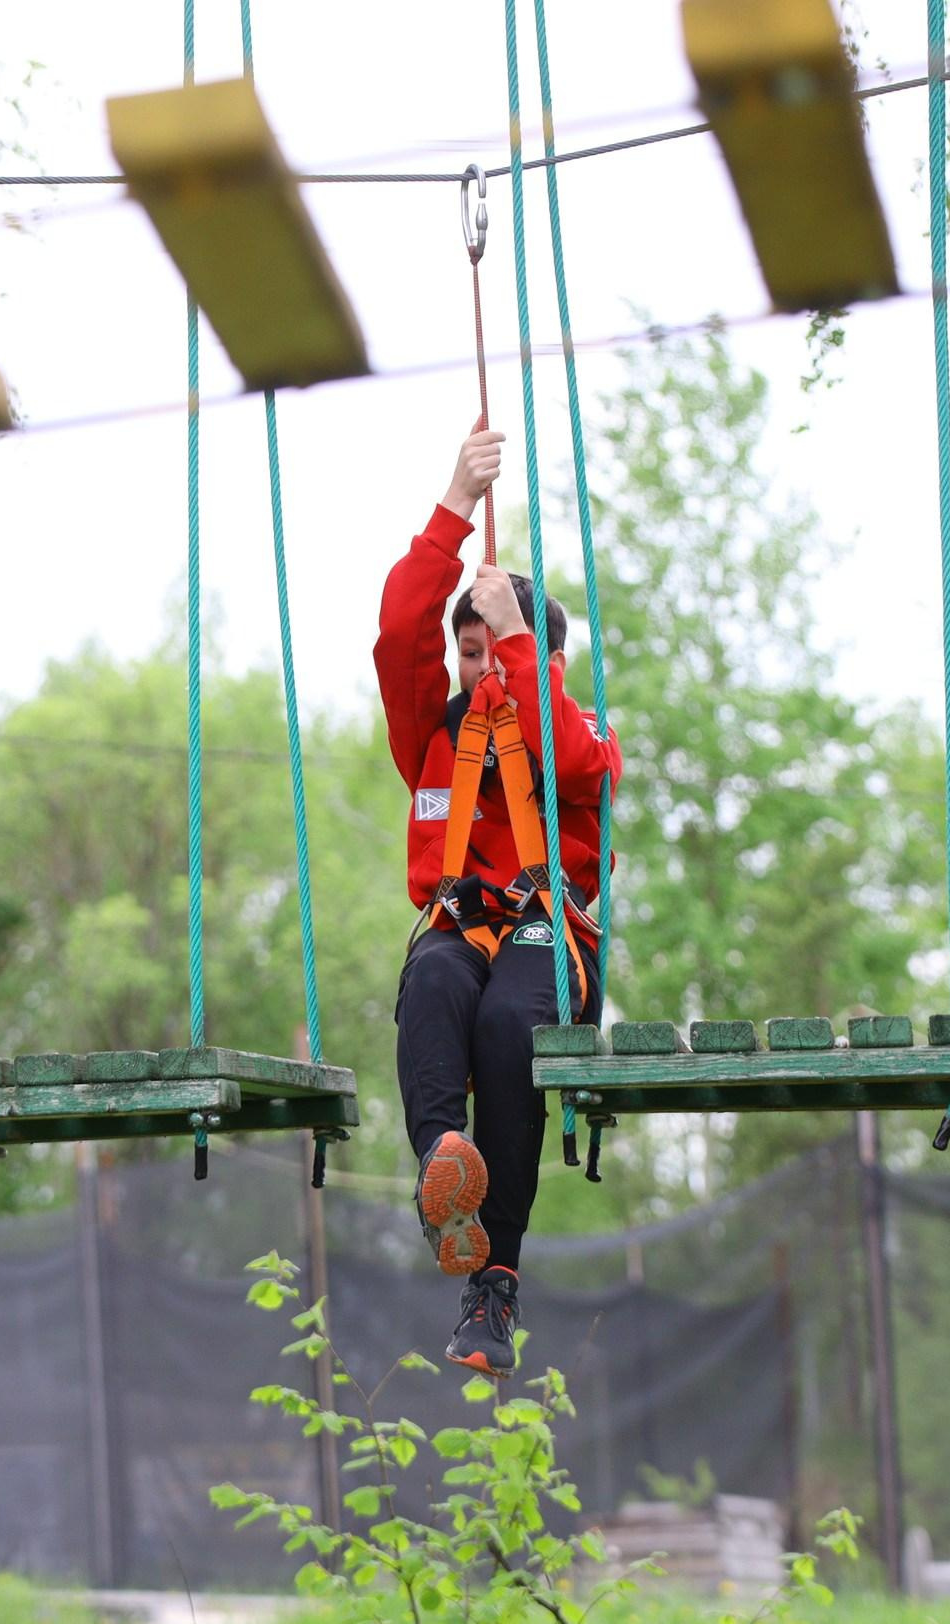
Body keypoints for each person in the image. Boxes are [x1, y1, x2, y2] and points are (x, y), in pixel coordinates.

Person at [374, 423, 619, 1378]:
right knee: (432, 983)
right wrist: (452, 507)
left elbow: (564, 752)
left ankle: (496, 1281)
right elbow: (399, 634)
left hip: (550, 933)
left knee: (516, 1021)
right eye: (471, 654)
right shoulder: (434, 738)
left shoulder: (583, 736)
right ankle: (446, 1168)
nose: (482, 671)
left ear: (540, 661)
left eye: (500, 653)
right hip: (459, 924)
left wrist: (521, 646)